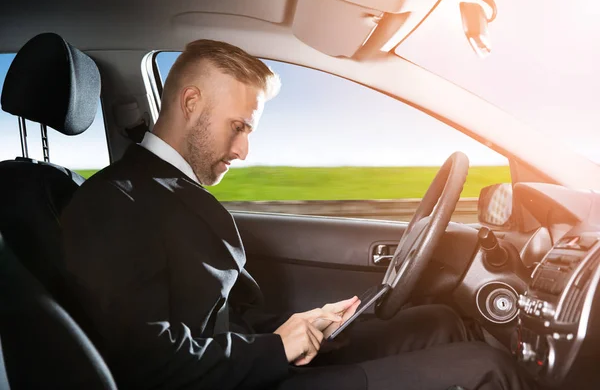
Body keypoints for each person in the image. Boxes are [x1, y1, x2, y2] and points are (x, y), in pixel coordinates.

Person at [61, 39, 536, 390]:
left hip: (240, 365)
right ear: (190, 104)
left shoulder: (165, 188)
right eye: (238, 126)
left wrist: (301, 325)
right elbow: (146, 363)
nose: (245, 149)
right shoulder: (115, 201)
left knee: (438, 321)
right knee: (489, 370)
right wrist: (276, 347)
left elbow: (217, 321)